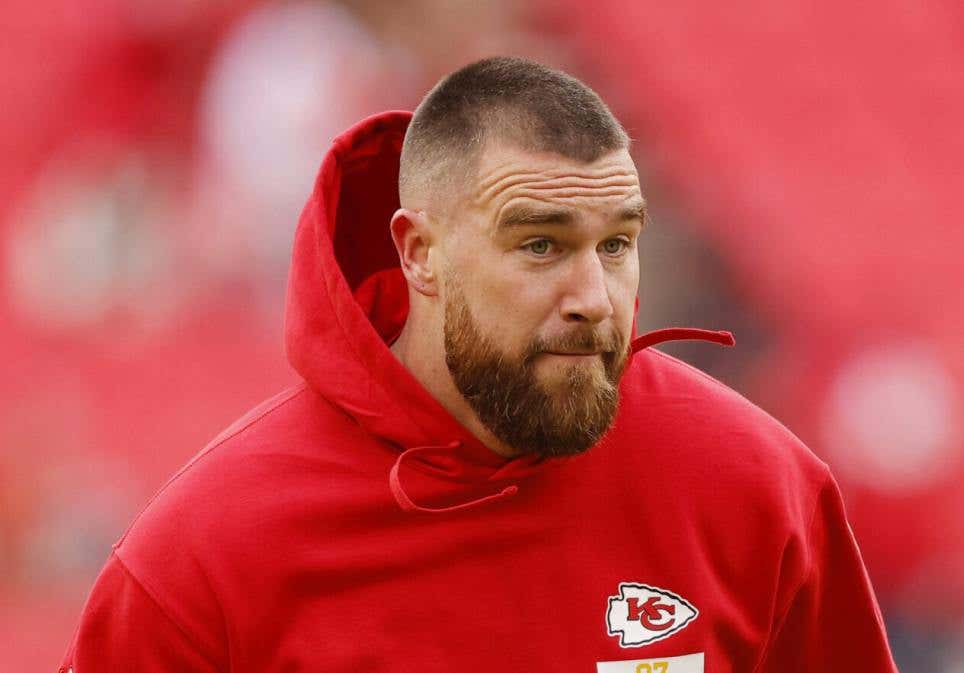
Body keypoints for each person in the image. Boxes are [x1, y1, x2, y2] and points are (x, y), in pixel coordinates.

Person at [60, 57, 897, 672]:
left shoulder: (759, 487)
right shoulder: (204, 554)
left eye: (616, 244)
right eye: (540, 244)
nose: (593, 296)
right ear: (420, 253)